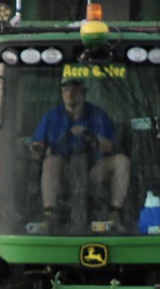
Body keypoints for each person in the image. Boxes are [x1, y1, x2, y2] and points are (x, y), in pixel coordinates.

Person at [30, 78, 130, 231]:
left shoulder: (98, 115)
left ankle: (114, 214)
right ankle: (49, 215)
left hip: (93, 172)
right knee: (50, 162)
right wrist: (37, 148)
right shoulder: (51, 117)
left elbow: (108, 146)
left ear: (84, 93)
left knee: (122, 161)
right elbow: (37, 146)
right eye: (66, 89)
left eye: (75, 90)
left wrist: (88, 135)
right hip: (64, 173)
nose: (70, 93)